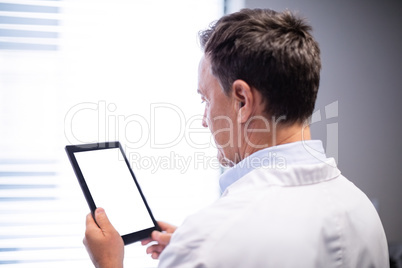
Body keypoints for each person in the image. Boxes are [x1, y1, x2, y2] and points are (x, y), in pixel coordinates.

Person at [83, 8, 389, 267]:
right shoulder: (362, 210)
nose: (204, 120)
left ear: (242, 100)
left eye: (205, 99)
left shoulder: (208, 242)